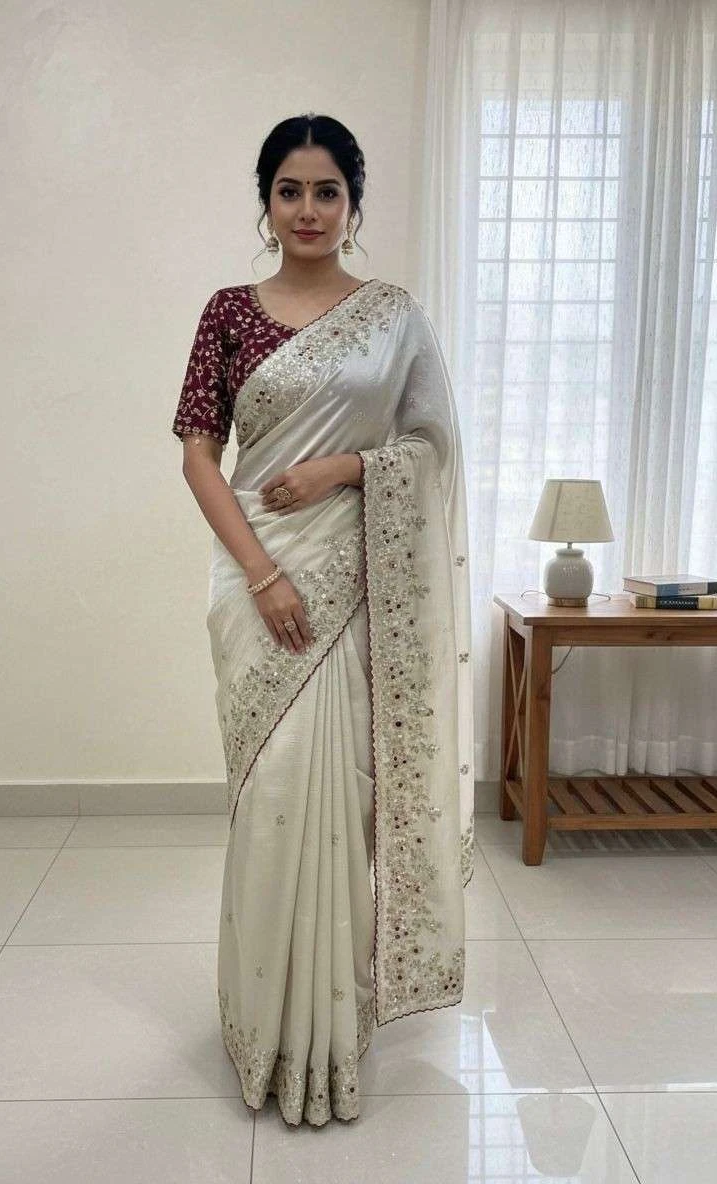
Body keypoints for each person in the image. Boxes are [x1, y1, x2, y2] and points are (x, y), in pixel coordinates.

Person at [172, 113, 474, 1128]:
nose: (308, 209)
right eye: (290, 190)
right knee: (273, 799)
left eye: (327, 191)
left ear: (353, 202)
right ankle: (264, 1028)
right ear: (267, 202)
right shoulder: (228, 312)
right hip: (259, 580)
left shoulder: (393, 317)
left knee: (339, 798)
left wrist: (346, 466)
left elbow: (431, 448)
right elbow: (199, 457)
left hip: (354, 583)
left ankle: (330, 1036)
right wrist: (262, 575)